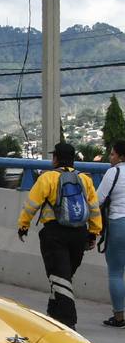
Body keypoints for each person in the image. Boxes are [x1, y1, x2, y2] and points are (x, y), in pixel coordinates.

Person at [17, 142, 102, 327]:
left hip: (54, 234)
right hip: (79, 234)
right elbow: (94, 208)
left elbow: (31, 204)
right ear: (73, 160)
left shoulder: (48, 178)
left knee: (60, 279)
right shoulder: (85, 179)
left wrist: (23, 225)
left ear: (55, 158)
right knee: (63, 277)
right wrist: (93, 232)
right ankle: (53, 313)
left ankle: (67, 322)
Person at [99, 140, 125, 327]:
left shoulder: (113, 172)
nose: (110, 157)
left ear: (120, 156)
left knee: (116, 272)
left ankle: (119, 317)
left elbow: (98, 199)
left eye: (112, 154)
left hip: (119, 224)